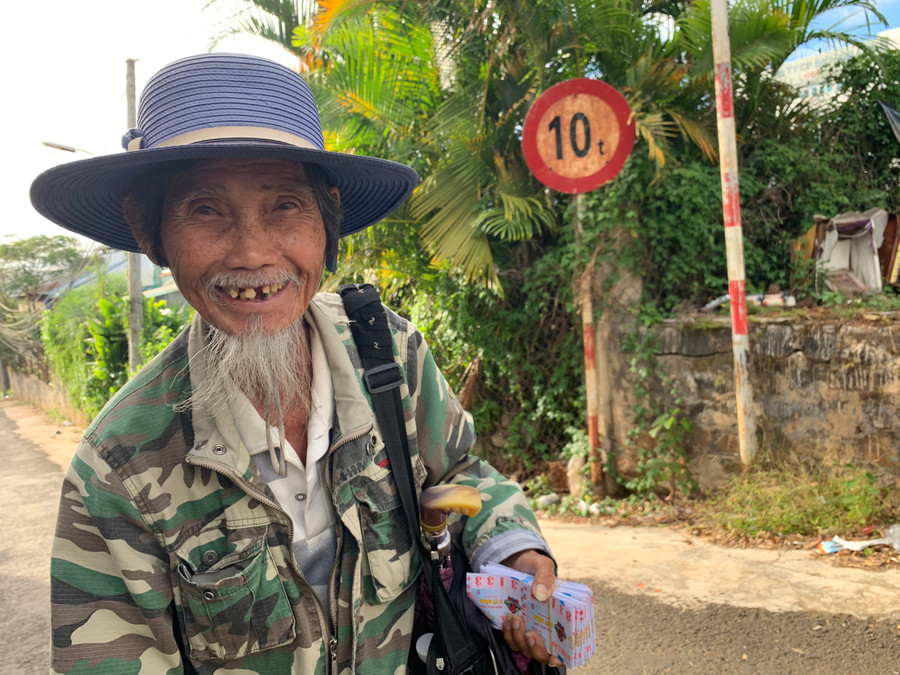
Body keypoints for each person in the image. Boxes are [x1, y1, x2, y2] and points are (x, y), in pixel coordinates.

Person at [31, 53, 562, 674]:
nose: (254, 253)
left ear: (327, 219)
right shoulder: (119, 467)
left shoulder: (388, 356)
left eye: (285, 205)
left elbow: (462, 470)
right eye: (205, 209)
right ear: (150, 236)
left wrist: (514, 551)